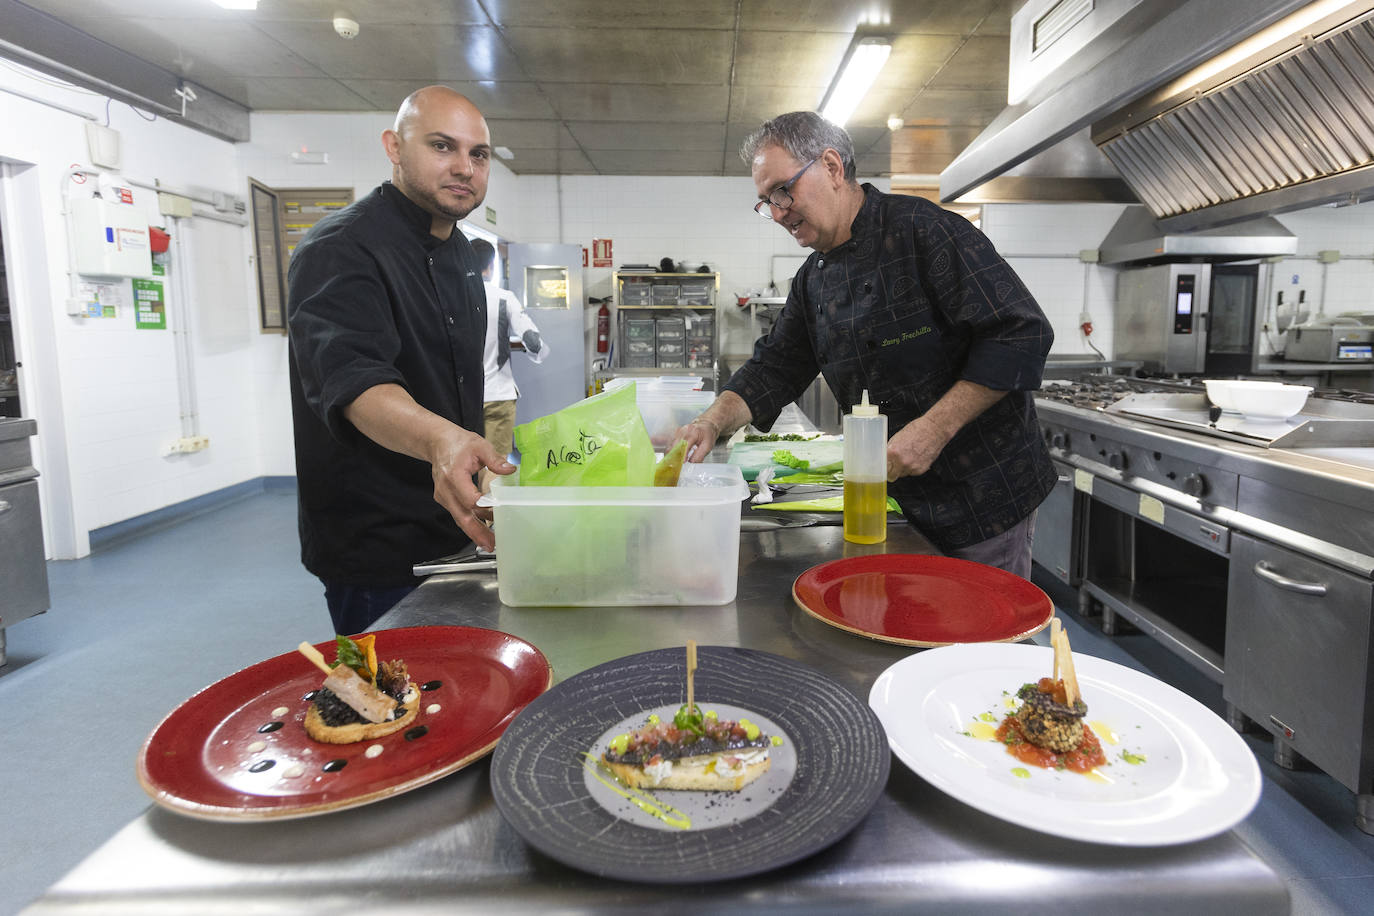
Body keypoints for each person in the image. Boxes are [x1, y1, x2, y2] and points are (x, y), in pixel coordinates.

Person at [677, 111, 1056, 578]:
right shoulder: (812, 279)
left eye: (782, 191)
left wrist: (934, 428)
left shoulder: (925, 232)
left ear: (832, 167)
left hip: (982, 494)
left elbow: (1021, 332)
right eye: (765, 201)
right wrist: (711, 421)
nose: (777, 212)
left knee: (985, 636)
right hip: (895, 498)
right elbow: (774, 366)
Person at [287, 86, 513, 633]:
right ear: (394, 146)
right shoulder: (339, 249)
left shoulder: (462, 253)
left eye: (478, 154)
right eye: (442, 147)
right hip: (377, 541)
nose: (464, 167)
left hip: (454, 523)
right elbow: (357, 382)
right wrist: (444, 440)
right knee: (388, 706)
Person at [469, 237, 550, 460]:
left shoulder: (453, 296)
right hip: (498, 394)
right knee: (494, 464)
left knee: (465, 462)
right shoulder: (504, 298)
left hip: (463, 397)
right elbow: (533, 341)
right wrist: (537, 353)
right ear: (491, 266)